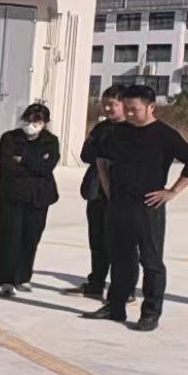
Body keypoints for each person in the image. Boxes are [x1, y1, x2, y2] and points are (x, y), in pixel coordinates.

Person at [84, 84, 188, 331]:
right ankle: (115, 307)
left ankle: (150, 313)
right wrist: (109, 190)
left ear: (151, 107)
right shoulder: (117, 132)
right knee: (120, 258)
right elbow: (102, 160)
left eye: (134, 109)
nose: (128, 113)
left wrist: (172, 192)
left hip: (148, 206)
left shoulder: (164, 134)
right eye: (126, 108)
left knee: (151, 261)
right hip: (118, 206)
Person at [0, 103, 60, 297]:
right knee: (9, 237)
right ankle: (7, 280)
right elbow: (6, 164)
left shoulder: (51, 141)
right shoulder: (9, 138)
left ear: (45, 123)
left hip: (39, 196)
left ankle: (23, 276)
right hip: (12, 195)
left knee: (31, 237)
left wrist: (23, 159)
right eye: (28, 121)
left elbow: (47, 167)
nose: (30, 126)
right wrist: (35, 161)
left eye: (36, 122)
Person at [79, 85, 126, 299]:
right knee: (96, 239)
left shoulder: (132, 130)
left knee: (119, 243)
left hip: (119, 194)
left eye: (113, 104)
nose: (107, 109)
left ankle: (123, 287)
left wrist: (103, 151)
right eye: (105, 104)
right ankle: (95, 282)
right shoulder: (100, 128)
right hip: (97, 192)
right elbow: (86, 154)